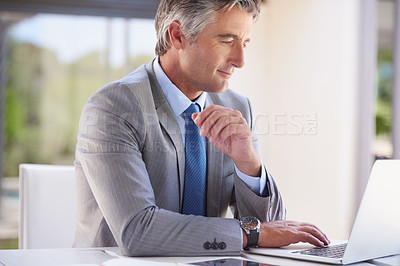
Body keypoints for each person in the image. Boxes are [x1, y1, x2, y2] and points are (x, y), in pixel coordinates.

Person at [73, 0, 330, 256]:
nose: (240, 60)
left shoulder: (237, 107)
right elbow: (137, 232)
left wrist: (248, 163)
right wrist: (251, 233)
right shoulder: (113, 107)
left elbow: (272, 229)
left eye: (245, 44)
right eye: (227, 41)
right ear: (178, 36)